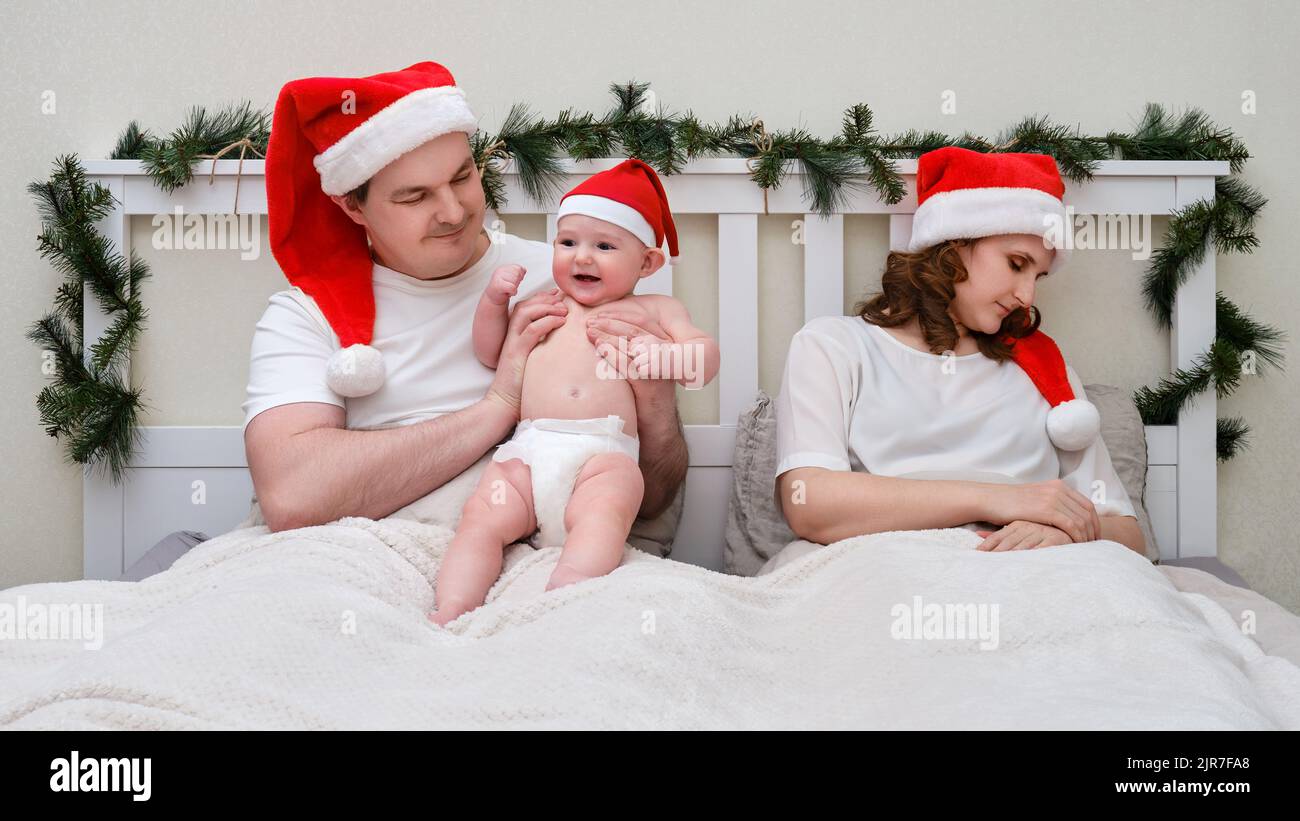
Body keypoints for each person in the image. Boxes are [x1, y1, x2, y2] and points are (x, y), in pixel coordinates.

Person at [241, 61, 687, 534]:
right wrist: (498, 406)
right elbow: (292, 497)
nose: (453, 212)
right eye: (415, 198)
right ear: (353, 205)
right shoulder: (307, 315)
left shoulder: (576, 279)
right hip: (366, 546)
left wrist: (655, 402)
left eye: (461, 178)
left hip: (541, 546)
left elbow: (652, 500)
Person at [774, 146, 1145, 555]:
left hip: (1037, 572)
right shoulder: (835, 347)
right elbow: (807, 502)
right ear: (953, 245)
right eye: (1016, 264)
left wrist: (1068, 531)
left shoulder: (1046, 375)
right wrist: (999, 498)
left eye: (1038, 276)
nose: (1027, 296)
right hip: (892, 570)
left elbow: (1128, 533)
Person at [430, 160, 718, 624]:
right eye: (568, 243)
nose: (581, 257)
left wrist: (665, 357)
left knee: (604, 512)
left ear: (647, 262)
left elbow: (703, 356)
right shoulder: (540, 305)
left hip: (602, 454)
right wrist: (494, 303)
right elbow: (489, 354)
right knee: (480, 521)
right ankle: (453, 607)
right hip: (528, 451)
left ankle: (567, 597)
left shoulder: (657, 309)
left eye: (604, 246)